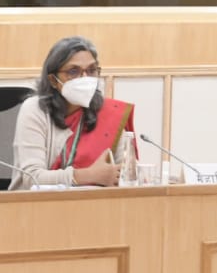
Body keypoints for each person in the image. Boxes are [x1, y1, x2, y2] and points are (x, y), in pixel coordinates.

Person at [9, 36, 134, 189]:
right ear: (53, 80)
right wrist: (90, 175)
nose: (85, 78)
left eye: (91, 70)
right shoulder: (35, 109)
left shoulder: (108, 113)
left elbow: (127, 174)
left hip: (93, 201)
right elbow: (32, 178)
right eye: (73, 71)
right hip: (37, 201)